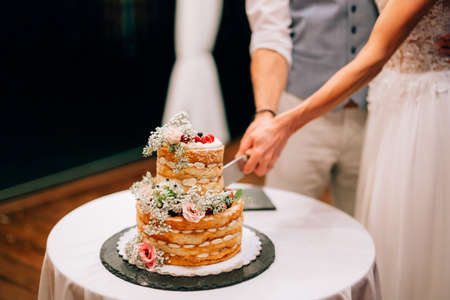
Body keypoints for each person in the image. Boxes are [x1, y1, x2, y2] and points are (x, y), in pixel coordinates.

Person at [237, 0, 450, 299]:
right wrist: (267, 115)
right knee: (283, 230)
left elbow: (382, 48)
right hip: (304, 110)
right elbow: (270, 34)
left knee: (370, 241)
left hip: (386, 114)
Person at [243, 0, 378, 215]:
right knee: (286, 217)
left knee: (368, 223)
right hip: (297, 112)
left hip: (375, 113)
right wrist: (266, 113)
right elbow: (270, 33)